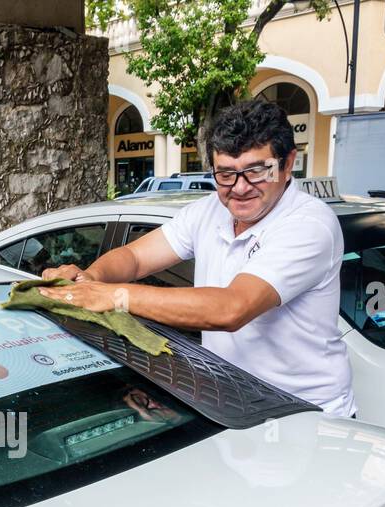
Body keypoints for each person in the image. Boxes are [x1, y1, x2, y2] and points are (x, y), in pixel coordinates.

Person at [40, 99, 355, 417]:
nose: (240, 188)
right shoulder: (207, 211)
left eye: (257, 172)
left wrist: (110, 296)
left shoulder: (308, 224)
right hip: (234, 403)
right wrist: (92, 277)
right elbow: (135, 256)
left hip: (304, 414)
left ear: (288, 163)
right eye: (226, 174)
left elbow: (231, 309)